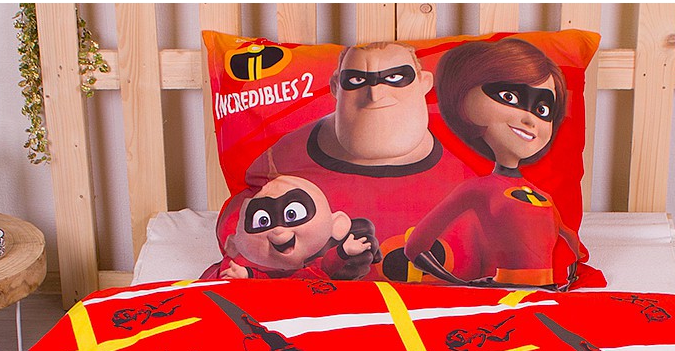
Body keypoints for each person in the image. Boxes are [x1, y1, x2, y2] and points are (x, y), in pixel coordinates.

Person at [246, 41, 477, 282]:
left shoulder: (471, 153)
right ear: (336, 86)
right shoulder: (283, 156)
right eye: (357, 80)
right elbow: (241, 229)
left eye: (395, 77)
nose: (375, 95)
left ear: (424, 82)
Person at [404, 37, 585, 288]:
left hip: (545, 291)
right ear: (465, 100)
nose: (530, 119)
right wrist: (461, 283)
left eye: (543, 110)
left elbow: (572, 241)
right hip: (503, 290)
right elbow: (415, 246)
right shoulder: (478, 189)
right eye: (509, 97)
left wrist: (567, 279)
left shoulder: (543, 195)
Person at [199, 175, 380, 281]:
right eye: (263, 221)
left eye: (292, 215)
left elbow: (327, 264)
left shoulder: (312, 270)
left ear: (337, 224)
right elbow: (268, 278)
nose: (278, 231)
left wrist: (344, 251)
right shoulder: (281, 274)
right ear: (233, 244)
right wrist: (245, 273)